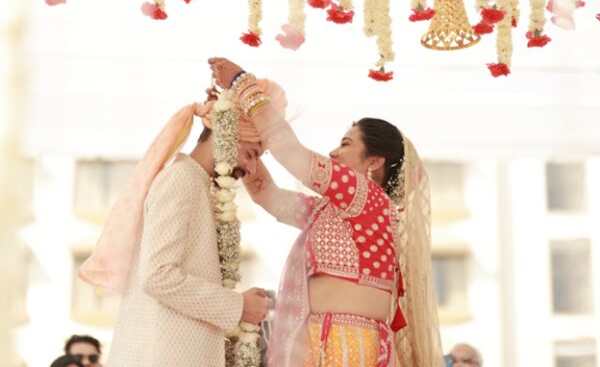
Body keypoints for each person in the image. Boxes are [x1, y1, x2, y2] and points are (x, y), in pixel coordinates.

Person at [209, 57, 444, 366]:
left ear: (374, 162)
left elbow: (290, 152)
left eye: (346, 144)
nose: (334, 152)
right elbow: (267, 194)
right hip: (330, 340)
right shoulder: (336, 210)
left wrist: (243, 85)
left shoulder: (365, 195)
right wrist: (236, 131)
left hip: (344, 342)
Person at [78, 84, 286, 366]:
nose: (251, 169)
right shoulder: (181, 180)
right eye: (251, 154)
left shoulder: (197, 185)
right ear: (227, 133)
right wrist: (238, 306)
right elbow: (157, 275)